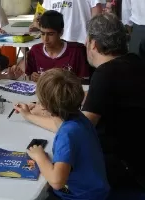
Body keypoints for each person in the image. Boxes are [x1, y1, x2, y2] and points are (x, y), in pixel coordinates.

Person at [15, 68, 110, 200]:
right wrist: (29, 116)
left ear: (44, 105)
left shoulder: (67, 134)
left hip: (79, 196)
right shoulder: (78, 118)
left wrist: (40, 157)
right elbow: (58, 125)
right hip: (94, 189)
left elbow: (57, 182)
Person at [82, 13, 145, 191]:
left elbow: (81, 128)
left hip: (122, 170)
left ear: (93, 43)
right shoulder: (135, 61)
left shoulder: (105, 74)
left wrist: (34, 115)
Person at [26, 10, 89, 82]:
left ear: (61, 32)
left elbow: (85, 81)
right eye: (42, 34)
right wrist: (32, 77)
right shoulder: (35, 51)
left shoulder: (77, 51)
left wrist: (52, 80)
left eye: (50, 34)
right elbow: (28, 77)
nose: (45, 39)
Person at [34, 0, 106, 44]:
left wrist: (91, 37)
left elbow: (97, 15)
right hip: (57, 43)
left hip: (82, 41)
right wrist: (37, 22)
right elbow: (44, 14)